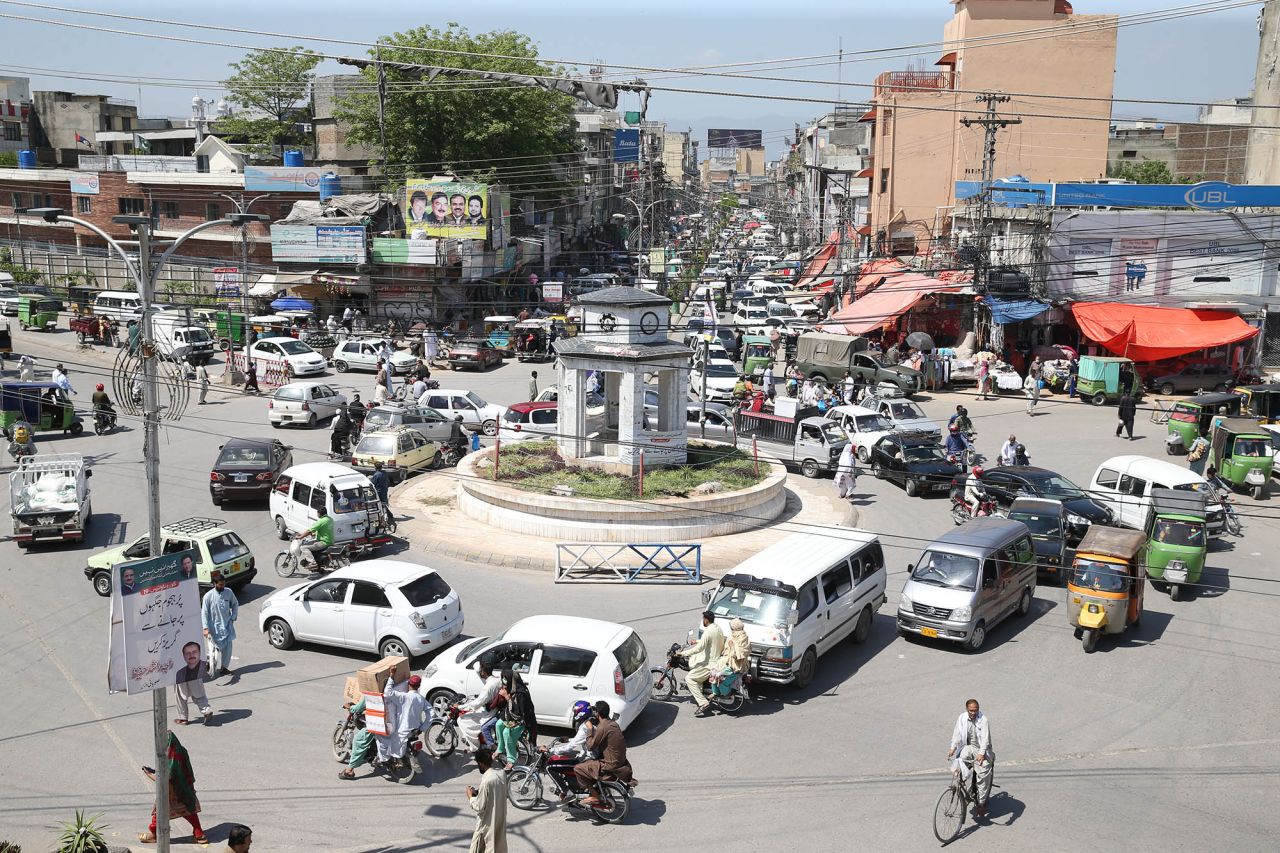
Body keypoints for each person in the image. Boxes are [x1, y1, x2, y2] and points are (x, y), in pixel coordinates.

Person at [138, 732, 207, 845]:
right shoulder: (181, 751)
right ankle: (199, 835)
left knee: (159, 812)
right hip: (185, 788)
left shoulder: (170, 757)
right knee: (189, 810)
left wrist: (150, 774)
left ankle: (154, 834)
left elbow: (167, 778)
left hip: (171, 791)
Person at [574, 701, 632, 807]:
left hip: (610, 764)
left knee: (578, 768)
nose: (593, 713)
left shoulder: (602, 727)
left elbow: (590, 746)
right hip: (621, 760)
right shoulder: (613, 724)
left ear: (598, 713)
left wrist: (590, 731)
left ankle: (595, 795)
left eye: (595, 711)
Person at [947, 699, 994, 819]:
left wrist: (981, 753)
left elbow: (985, 739)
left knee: (982, 777)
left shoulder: (983, 720)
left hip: (982, 750)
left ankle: (981, 803)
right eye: (971, 710)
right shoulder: (962, 718)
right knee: (960, 759)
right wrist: (952, 748)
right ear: (966, 709)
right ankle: (961, 780)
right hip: (968, 747)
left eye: (975, 710)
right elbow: (956, 733)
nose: (973, 713)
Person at [682, 611, 725, 718]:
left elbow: (699, 648)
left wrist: (682, 653)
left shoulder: (708, 631)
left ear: (706, 619)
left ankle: (703, 703)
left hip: (710, 664)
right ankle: (700, 694)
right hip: (717, 660)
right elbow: (709, 641)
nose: (703, 621)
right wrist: (697, 641)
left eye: (703, 619)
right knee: (697, 676)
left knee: (690, 679)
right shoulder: (717, 628)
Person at [466, 748, 508, 853]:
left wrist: (470, 796)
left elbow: (479, 807)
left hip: (486, 826)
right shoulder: (502, 774)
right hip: (499, 823)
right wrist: (479, 792)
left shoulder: (487, 780)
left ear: (480, 763)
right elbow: (495, 793)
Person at [495, 669, 537, 767]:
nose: (504, 682)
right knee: (498, 724)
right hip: (512, 717)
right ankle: (500, 748)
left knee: (507, 733)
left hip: (523, 720)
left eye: (506, 680)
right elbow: (507, 709)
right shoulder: (510, 689)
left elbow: (519, 712)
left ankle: (511, 760)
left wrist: (507, 697)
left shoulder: (521, 694)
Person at [201, 572, 238, 677]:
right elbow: (204, 612)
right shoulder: (208, 596)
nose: (223, 586)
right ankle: (209, 669)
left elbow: (235, 604)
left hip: (227, 627)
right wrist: (205, 628)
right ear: (214, 584)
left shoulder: (228, 592)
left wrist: (233, 617)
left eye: (224, 584)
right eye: (220, 585)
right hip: (214, 629)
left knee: (228, 650)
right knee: (213, 652)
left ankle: (224, 668)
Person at [458, 662, 502, 750]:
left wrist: (460, 707)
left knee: (461, 719)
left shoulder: (488, 686)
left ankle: (474, 746)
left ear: (484, 672)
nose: (480, 673)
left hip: (489, 713)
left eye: (481, 671)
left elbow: (478, 703)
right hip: (495, 710)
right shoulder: (497, 680)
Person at [384, 675, 427, 764]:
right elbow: (432, 714)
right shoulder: (421, 699)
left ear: (408, 685)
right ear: (419, 686)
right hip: (416, 729)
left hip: (403, 731)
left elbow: (387, 692)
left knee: (385, 738)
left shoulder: (403, 697)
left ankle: (387, 760)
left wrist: (391, 676)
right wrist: (423, 727)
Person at [338, 695, 379, 780]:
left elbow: (359, 707)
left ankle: (349, 770)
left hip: (378, 723)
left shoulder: (374, 692)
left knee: (358, 741)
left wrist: (351, 707)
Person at [174, 641, 213, 725]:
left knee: (182, 694)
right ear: (184, 655)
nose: (191, 655)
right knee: (196, 692)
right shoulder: (181, 672)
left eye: (194, 652)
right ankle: (206, 710)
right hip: (185, 670)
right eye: (188, 653)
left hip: (184, 667)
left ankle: (183, 718)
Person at [711, 617, 751, 697]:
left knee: (720, 678)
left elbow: (740, 655)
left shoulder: (743, 638)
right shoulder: (732, 636)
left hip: (736, 666)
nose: (731, 629)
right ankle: (715, 693)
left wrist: (732, 646)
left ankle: (727, 694)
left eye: (732, 628)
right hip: (727, 662)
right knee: (713, 672)